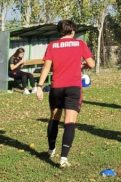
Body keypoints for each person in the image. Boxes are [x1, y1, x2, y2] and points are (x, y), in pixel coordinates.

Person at [35, 20, 95, 169]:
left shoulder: (52, 45)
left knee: (54, 118)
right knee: (69, 122)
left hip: (57, 87)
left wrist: (39, 86)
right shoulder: (79, 44)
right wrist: (84, 65)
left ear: (59, 32)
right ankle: (63, 158)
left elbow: (46, 67)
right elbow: (92, 64)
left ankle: (51, 149)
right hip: (73, 87)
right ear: (72, 31)